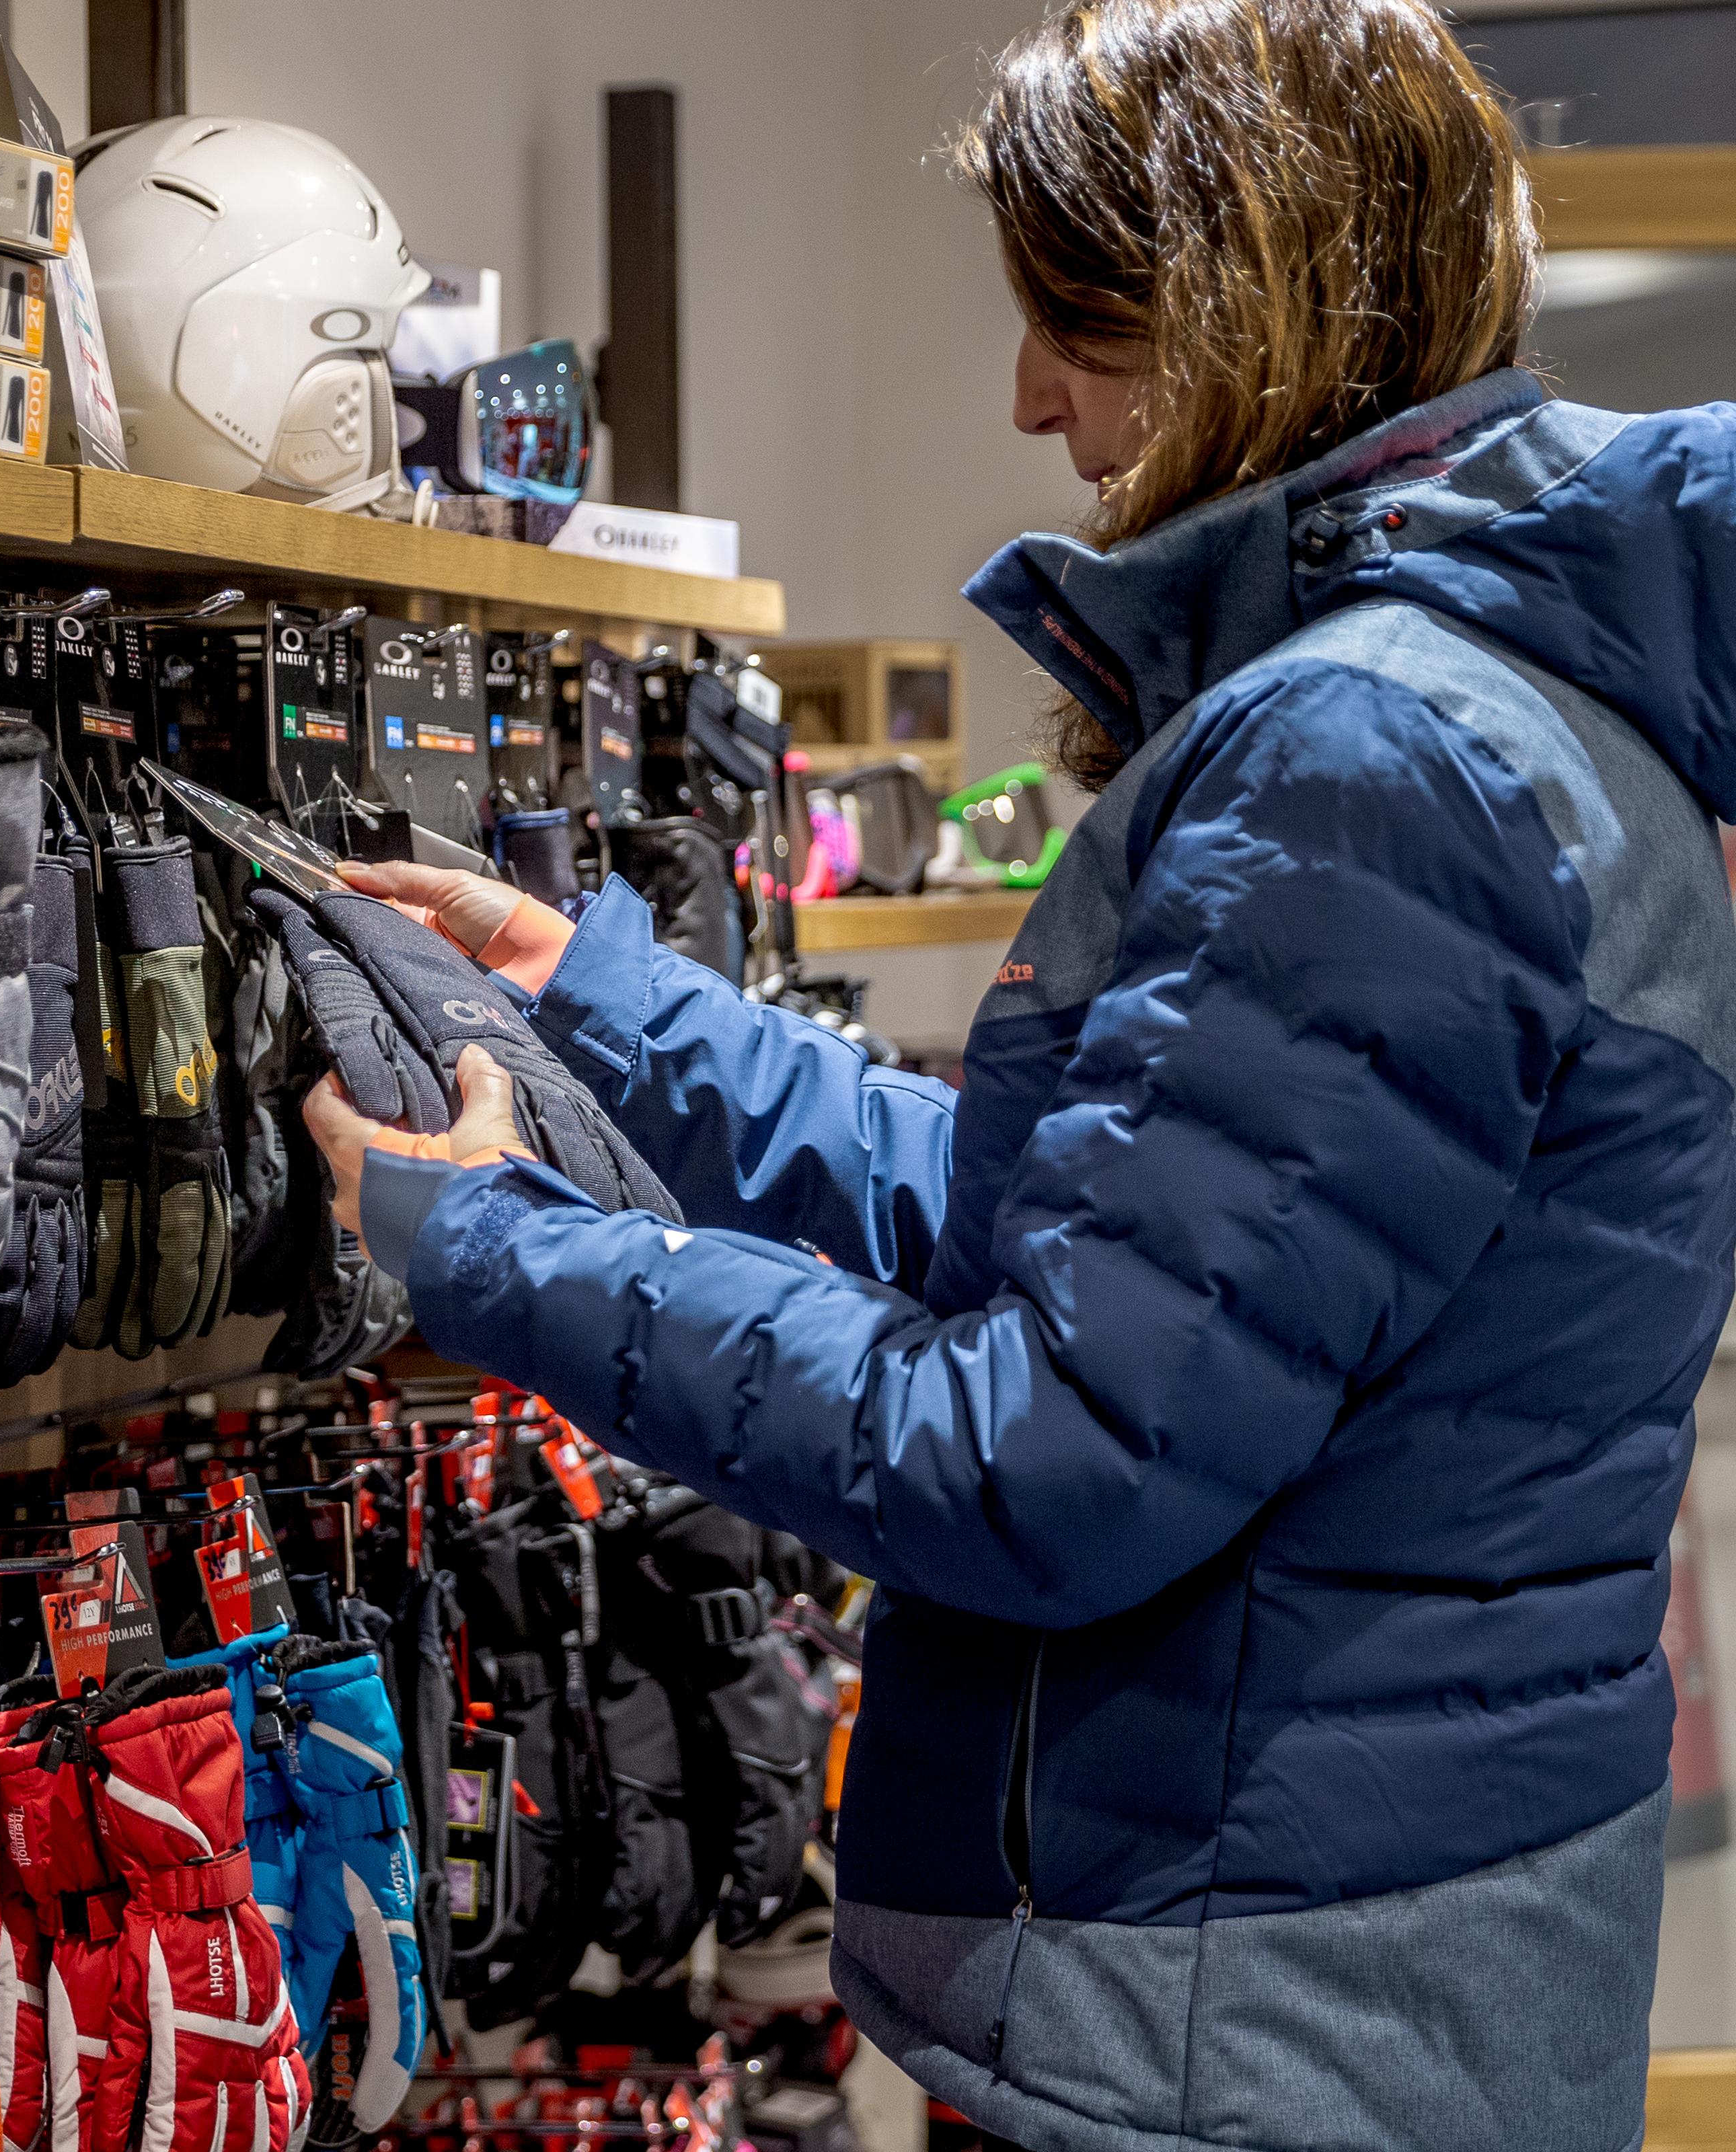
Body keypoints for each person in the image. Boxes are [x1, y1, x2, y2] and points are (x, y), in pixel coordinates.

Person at [301, 3, 1736, 2148]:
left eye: (1080, 318)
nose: (1031, 397)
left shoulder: (1370, 759)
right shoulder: (1476, 718)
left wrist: (505, 1252)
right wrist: (608, 1002)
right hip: (1337, 1986)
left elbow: (1047, 1455)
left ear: (1249, 296)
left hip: (1245, 2033)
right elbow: (1096, 1225)